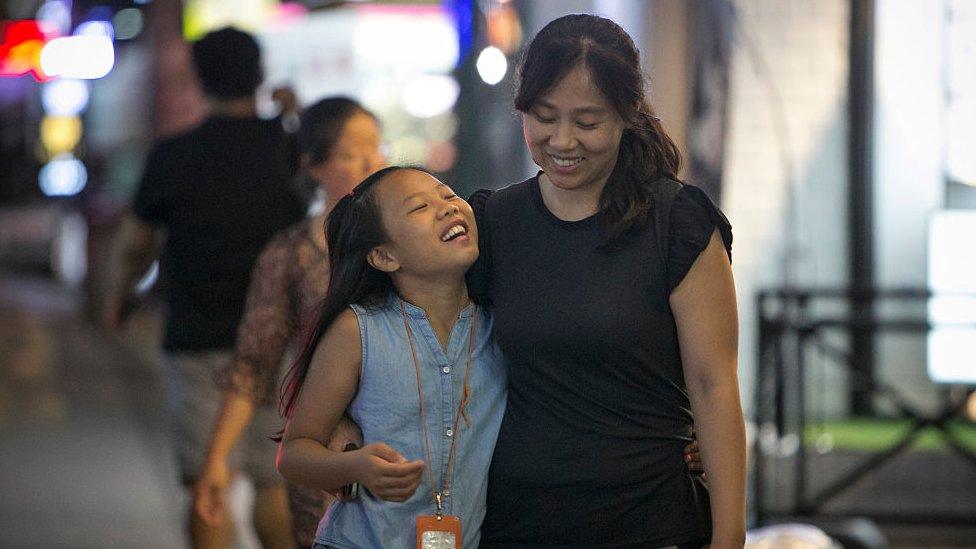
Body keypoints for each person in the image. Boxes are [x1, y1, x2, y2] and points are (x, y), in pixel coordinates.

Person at [469, 14, 746, 548]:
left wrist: (729, 534)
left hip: (650, 520)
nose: (562, 140)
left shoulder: (678, 224)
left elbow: (715, 386)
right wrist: (340, 422)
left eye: (588, 121)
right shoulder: (495, 223)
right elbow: (419, 337)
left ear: (626, 116)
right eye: (543, 117)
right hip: (518, 522)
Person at [106, 27, 306, 549]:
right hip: (279, 338)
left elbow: (136, 244)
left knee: (208, 481)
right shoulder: (288, 146)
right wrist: (295, 114)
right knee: (274, 478)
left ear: (198, 80)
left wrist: (122, 293)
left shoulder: (173, 154)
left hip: (198, 333)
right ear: (259, 74)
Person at [275, 167, 507, 548]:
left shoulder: (501, 328)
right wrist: (355, 467)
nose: (447, 208)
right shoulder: (357, 331)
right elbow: (294, 455)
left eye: (449, 195)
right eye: (420, 208)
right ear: (384, 256)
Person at [192, 97, 384, 549]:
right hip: (322, 455)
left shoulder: (408, 242)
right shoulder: (292, 252)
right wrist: (217, 460)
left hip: (405, 444)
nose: (372, 162)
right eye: (352, 153)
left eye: (377, 148)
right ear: (314, 166)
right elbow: (253, 363)